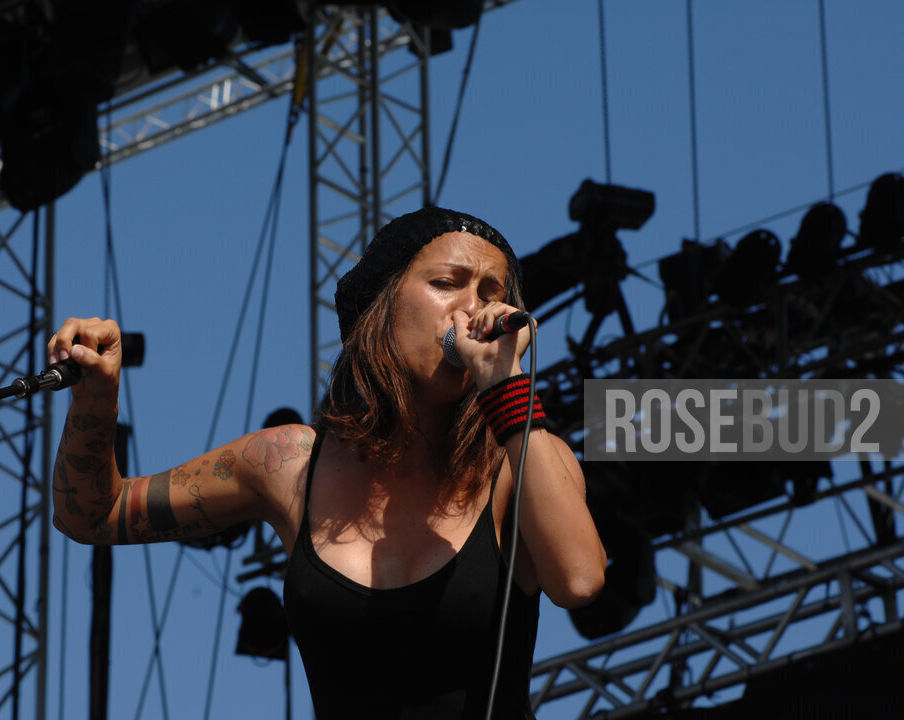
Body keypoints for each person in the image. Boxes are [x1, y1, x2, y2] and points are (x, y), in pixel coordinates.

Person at [49, 206, 607, 719]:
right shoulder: (287, 464)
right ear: (380, 305)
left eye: (492, 294)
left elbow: (579, 580)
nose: (474, 309)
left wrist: (507, 391)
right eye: (446, 284)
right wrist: (96, 401)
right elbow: (93, 515)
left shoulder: (522, 462)